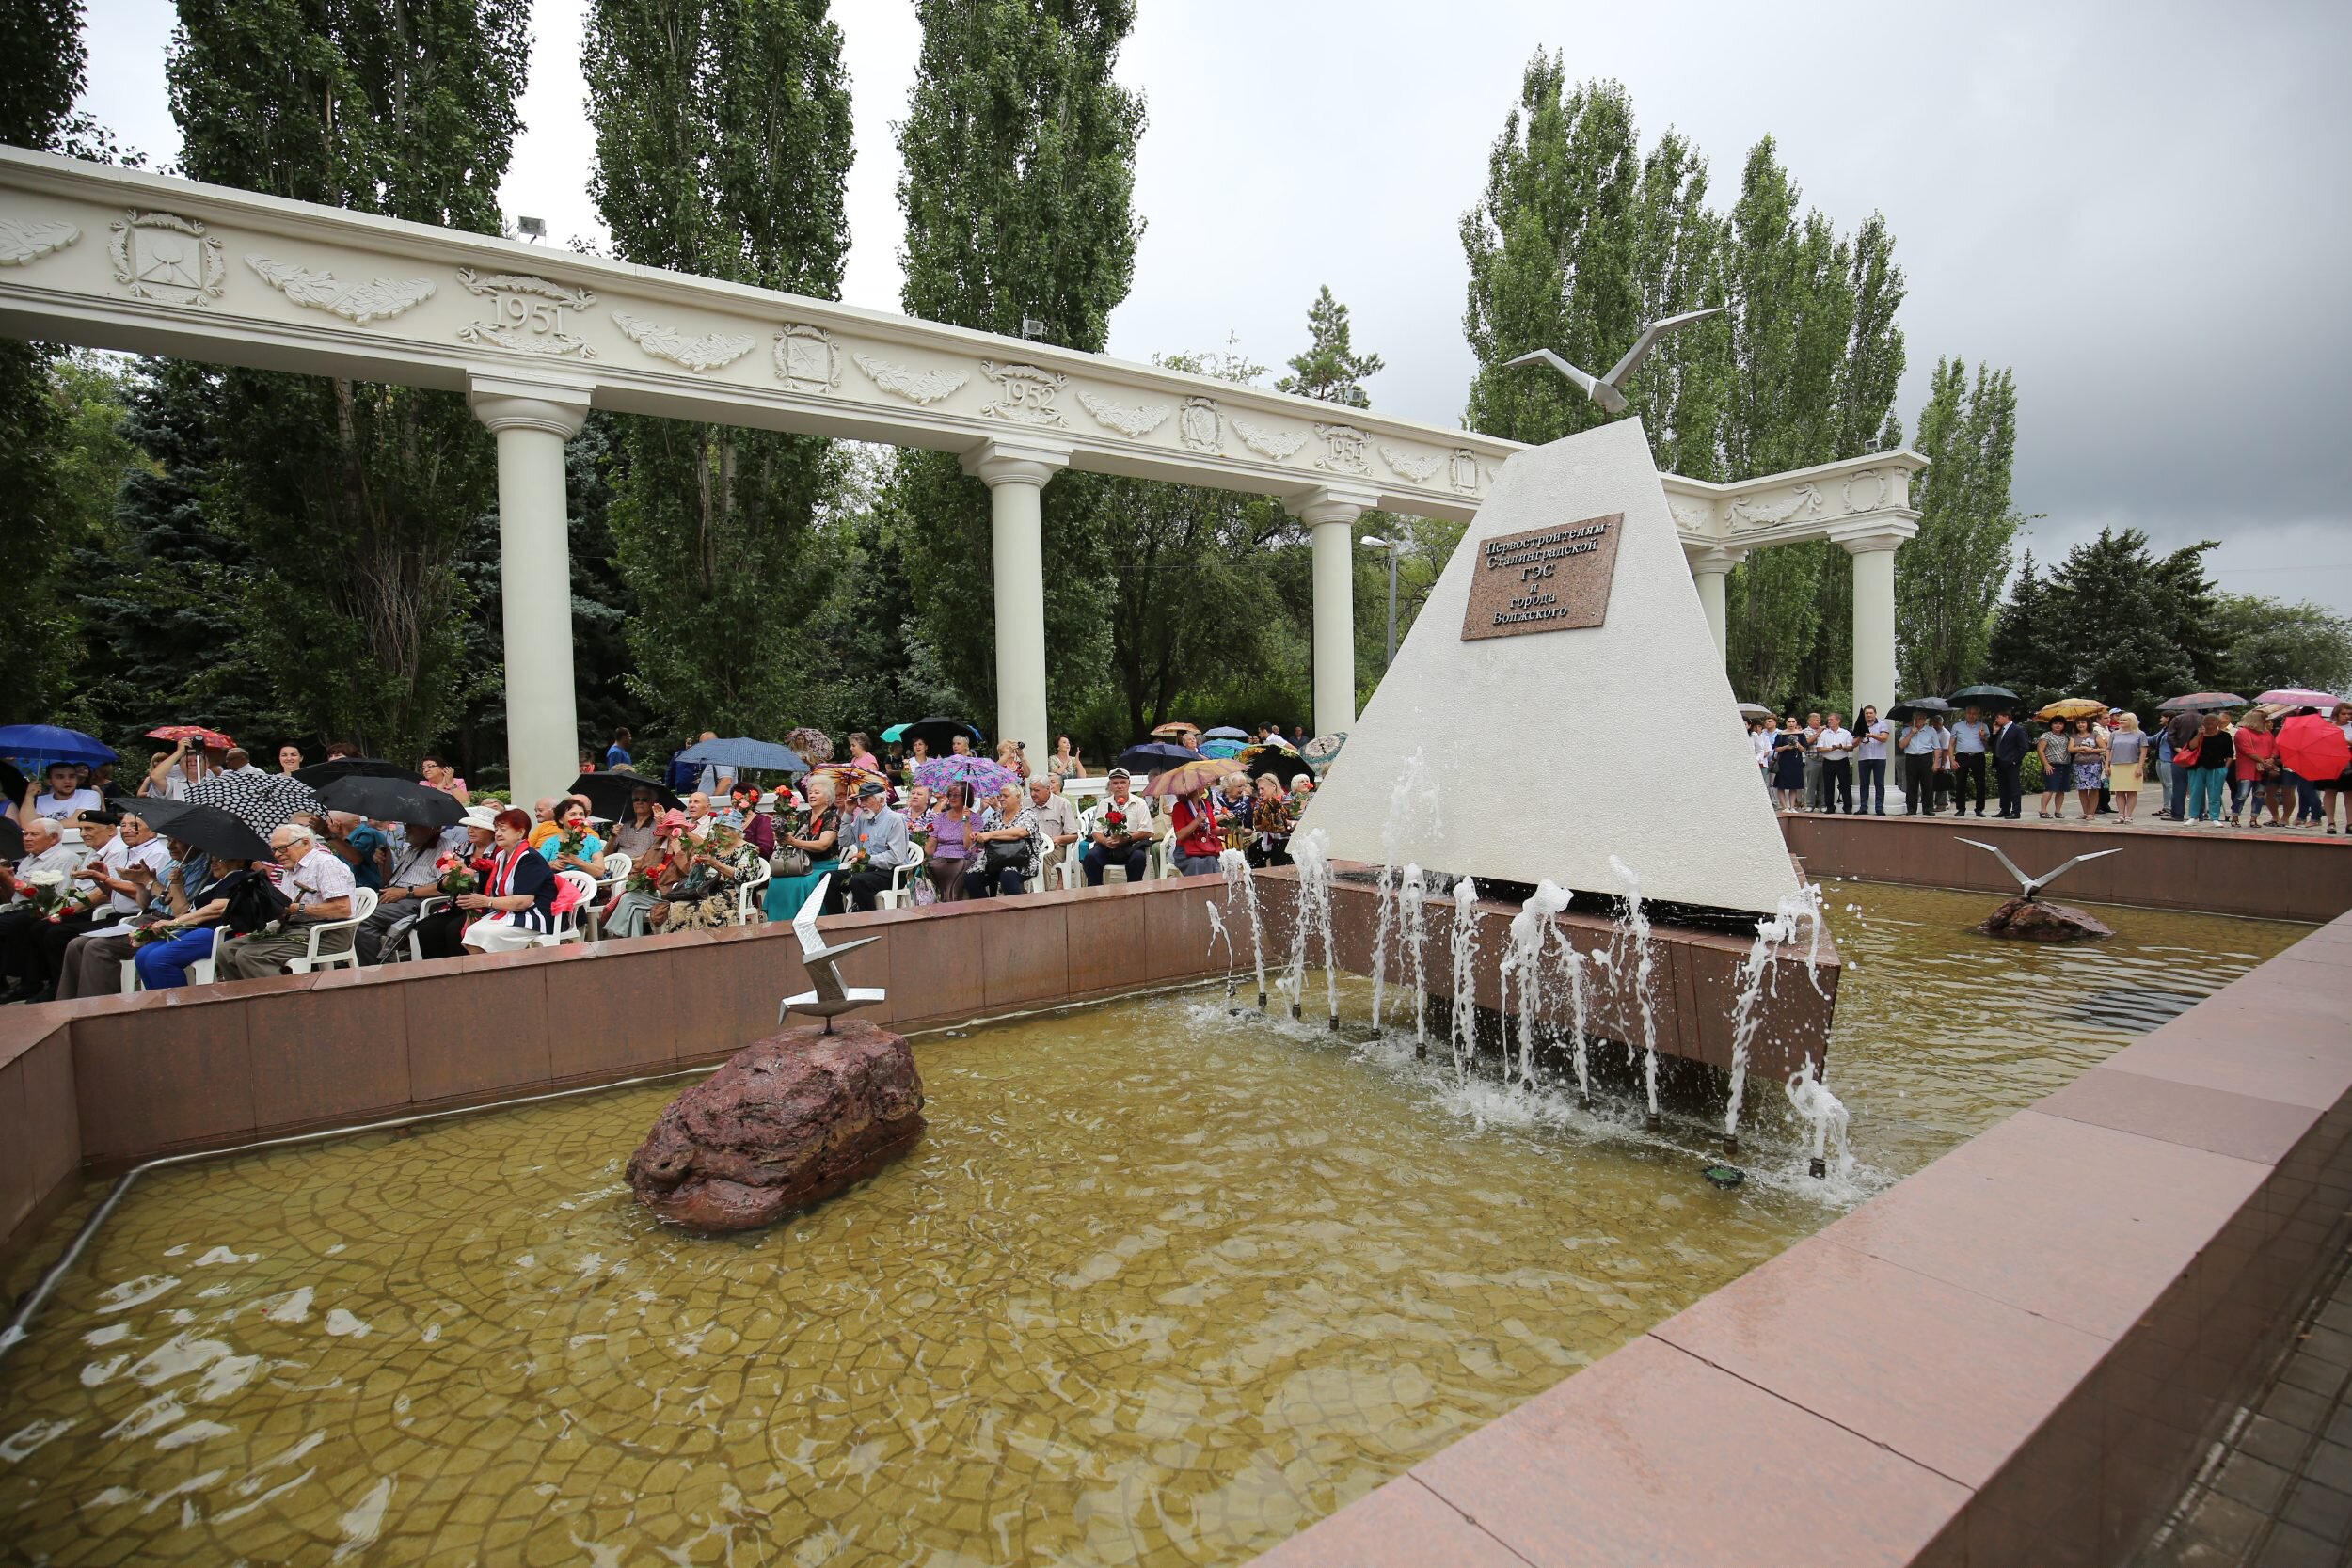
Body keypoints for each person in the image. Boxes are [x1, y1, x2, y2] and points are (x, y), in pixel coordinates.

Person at [216, 822, 358, 978]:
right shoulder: (290, 870)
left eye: (282, 848)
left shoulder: (326, 863)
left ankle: (281, 1001)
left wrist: (299, 908)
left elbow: (343, 908)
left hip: (328, 933)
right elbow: (285, 909)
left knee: (251, 956)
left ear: (305, 843)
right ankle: (246, 999)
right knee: (226, 951)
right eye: (274, 850)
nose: (277, 854)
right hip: (294, 928)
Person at [130, 854, 264, 990]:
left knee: (158, 960)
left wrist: (174, 923)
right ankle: (156, 1007)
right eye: (212, 859)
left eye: (220, 859)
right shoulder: (218, 882)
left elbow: (217, 908)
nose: (214, 863)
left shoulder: (240, 877)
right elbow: (186, 911)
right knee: (142, 956)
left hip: (218, 933)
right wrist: (177, 885)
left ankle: (178, 1008)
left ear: (240, 860)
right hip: (194, 930)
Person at [457, 808, 562, 952]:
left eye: (503, 829)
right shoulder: (502, 856)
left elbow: (522, 902)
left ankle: (497, 971)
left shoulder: (529, 858)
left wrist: (485, 901)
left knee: (482, 934)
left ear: (520, 833)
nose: (498, 833)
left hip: (534, 915)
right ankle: (492, 971)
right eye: (496, 829)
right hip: (511, 911)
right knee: (472, 932)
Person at [767, 775, 841, 919]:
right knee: (777, 881)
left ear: (827, 798)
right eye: (811, 792)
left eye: (817, 792)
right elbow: (787, 837)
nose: (812, 795)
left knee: (802, 883)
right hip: (799, 865)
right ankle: (777, 924)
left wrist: (793, 842)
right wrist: (780, 836)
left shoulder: (831, 818)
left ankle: (803, 921)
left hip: (824, 865)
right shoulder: (801, 816)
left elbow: (823, 845)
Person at [835, 781, 915, 912]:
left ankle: (871, 922)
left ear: (882, 800)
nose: (862, 805)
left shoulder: (895, 819)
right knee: (829, 878)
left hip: (891, 873)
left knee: (857, 881)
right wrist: (848, 813)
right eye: (860, 800)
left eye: (866, 800)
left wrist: (866, 858)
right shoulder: (862, 818)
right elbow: (844, 841)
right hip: (866, 870)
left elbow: (896, 857)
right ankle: (838, 921)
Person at [962, 782, 1038, 897]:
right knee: (971, 877)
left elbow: (1020, 832)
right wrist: (975, 832)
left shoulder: (1027, 814)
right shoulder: (996, 816)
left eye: (1005, 796)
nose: (1001, 799)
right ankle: (987, 910)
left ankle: (1016, 911)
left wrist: (990, 835)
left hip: (1021, 860)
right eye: (999, 796)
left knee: (1007, 875)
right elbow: (982, 837)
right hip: (995, 860)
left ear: (1018, 797)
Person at [1081, 768, 1155, 885]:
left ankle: (1133, 894)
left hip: (1132, 845)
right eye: (1115, 783)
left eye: (1123, 782)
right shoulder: (1104, 803)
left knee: (1138, 858)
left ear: (1129, 784)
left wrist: (1126, 838)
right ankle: (1096, 894)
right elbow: (1096, 832)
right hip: (1108, 844)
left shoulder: (1139, 803)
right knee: (1091, 858)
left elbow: (1147, 831)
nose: (1119, 786)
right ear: (1110, 786)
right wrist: (1106, 842)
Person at [924, 781, 974, 902]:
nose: (951, 798)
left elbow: (968, 846)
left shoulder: (975, 818)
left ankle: (949, 900)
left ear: (966, 797)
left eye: (956, 795)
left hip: (962, 858)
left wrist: (967, 822)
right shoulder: (940, 817)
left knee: (958, 867)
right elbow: (930, 846)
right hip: (941, 859)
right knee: (934, 866)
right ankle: (950, 901)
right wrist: (924, 856)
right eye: (950, 795)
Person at [1027, 776, 1083, 885]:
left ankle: (1043, 895)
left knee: (1042, 859)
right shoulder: (1026, 803)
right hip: (1030, 846)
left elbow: (1074, 835)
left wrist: (1059, 839)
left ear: (1048, 789)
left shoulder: (1062, 804)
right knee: (1014, 856)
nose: (1033, 794)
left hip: (1056, 848)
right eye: (1031, 790)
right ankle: (1019, 894)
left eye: (1036, 790)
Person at [2185, 711, 2234, 824]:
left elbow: (2230, 754)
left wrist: (2225, 769)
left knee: (2215, 794)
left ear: (2218, 722)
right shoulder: (2197, 733)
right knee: (2195, 792)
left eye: (2212, 720)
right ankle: (2194, 816)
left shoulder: (2225, 736)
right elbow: (2191, 747)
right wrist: (2198, 735)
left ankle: (2215, 817)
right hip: (2197, 767)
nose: (2209, 723)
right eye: (2206, 720)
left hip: (2217, 767)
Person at [541, 800, 608, 878]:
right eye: (573, 814)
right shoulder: (550, 843)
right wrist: (550, 865)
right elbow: (536, 870)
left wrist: (577, 862)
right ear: (560, 820)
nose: (578, 817)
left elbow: (599, 872)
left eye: (581, 814)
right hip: (556, 886)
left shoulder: (592, 841)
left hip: (586, 886)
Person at [1168, 785, 1224, 876]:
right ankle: (1201, 888)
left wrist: (1226, 830)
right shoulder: (1179, 807)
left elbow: (1212, 829)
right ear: (1191, 788)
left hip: (1206, 848)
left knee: (1212, 860)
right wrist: (1197, 821)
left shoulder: (1206, 805)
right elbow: (1180, 835)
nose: (1204, 785)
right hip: (1186, 852)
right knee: (1196, 862)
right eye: (1200, 784)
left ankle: (1215, 888)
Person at [20, 761, 101, 822]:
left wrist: (39, 826)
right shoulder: (40, 801)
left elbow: (78, 821)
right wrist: (29, 796)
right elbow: (27, 824)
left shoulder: (89, 795)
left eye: (72, 776)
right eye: (60, 777)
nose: (67, 781)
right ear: (49, 781)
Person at [1247, 772, 1297, 867]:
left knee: (1279, 850)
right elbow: (1256, 825)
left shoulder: (1287, 799)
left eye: (1262, 789)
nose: (1260, 792)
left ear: (1273, 787)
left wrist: (1279, 821)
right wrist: (1265, 823)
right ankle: (1258, 878)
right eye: (1259, 789)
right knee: (1253, 849)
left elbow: (1295, 822)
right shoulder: (1260, 802)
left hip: (1287, 838)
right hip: (1269, 838)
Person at [2105, 713, 2148, 825]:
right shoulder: (2114, 734)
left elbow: (2143, 752)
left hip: (2132, 765)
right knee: (2119, 792)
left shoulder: (2140, 734)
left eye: (2124, 720)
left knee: (2131, 791)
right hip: (2116, 765)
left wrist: (2140, 767)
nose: (2121, 722)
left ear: (2132, 721)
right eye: (2120, 720)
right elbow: (2109, 750)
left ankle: (2129, 815)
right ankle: (2121, 815)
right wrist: (2107, 765)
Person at [1897, 712, 1943, 816]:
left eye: (1920, 718)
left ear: (1925, 719)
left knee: (1927, 784)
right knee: (1911, 785)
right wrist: (1911, 734)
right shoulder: (1906, 730)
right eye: (1916, 718)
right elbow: (1901, 745)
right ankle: (1911, 809)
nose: (1918, 720)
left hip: (1926, 758)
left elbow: (1937, 748)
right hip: (1911, 758)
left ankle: (1928, 808)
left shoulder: (1931, 731)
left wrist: (1936, 763)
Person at [1948, 706, 1991, 817]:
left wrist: (1983, 737)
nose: (1971, 715)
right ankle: (1960, 808)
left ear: (1978, 715)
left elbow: (1988, 746)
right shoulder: (1957, 726)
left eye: (1974, 713)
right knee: (1961, 783)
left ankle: (1979, 809)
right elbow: (1952, 744)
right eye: (1969, 713)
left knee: (1980, 783)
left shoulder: (1983, 726)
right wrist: (1951, 759)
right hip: (1962, 756)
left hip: (1978, 756)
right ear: (1965, 714)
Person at [2161, 709, 2201, 822]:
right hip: (2198, 757)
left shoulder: (2177, 719)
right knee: (2198, 786)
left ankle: (2177, 814)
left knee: (2179, 786)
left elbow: (2170, 736)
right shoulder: (2203, 719)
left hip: (2180, 757)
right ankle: (2200, 813)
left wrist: (2178, 749)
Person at [1851, 706, 1890, 815]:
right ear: (1864, 714)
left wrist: (1872, 735)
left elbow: (1884, 738)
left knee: (1879, 784)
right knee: (1863, 784)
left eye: (1871, 713)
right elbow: (1853, 744)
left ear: (1875, 714)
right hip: (1864, 758)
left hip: (1879, 758)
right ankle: (1863, 807)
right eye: (1867, 713)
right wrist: (1860, 736)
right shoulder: (1859, 725)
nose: (1869, 715)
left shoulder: (1882, 724)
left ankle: (1879, 808)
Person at [2066, 717, 2106, 820]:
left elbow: (2104, 748)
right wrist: (2081, 748)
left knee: (2094, 789)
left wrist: (2092, 751)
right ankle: (2085, 812)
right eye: (2078, 723)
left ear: (2088, 724)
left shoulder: (2095, 735)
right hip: (2079, 765)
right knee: (2082, 789)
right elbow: (2070, 749)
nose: (2081, 725)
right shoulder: (2074, 736)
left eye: (2083, 722)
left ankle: (2092, 813)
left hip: (2094, 764)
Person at [1992, 710, 2029, 819]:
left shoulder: (2017, 730)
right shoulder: (2000, 730)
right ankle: (2005, 809)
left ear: (2006, 717)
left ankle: (2016, 811)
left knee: (2014, 787)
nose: (1996, 720)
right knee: (2003, 788)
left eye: (1998, 717)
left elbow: (2024, 747)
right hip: (2000, 762)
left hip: (2011, 763)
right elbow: (1992, 743)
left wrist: (2015, 760)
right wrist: (1994, 732)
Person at [1816, 713, 1855, 815]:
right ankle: (1829, 806)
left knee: (1845, 784)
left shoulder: (1845, 733)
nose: (1829, 721)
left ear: (1838, 721)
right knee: (1828, 785)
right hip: (1828, 761)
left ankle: (1847, 807)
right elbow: (1819, 748)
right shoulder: (1824, 734)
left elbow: (1851, 747)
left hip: (1842, 761)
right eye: (1828, 719)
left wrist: (1842, 747)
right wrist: (1831, 749)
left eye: (1831, 719)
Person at [612, 787, 663, 863]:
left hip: (640, 868)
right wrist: (612, 836)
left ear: (652, 803)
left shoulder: (657, 826)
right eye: (636, 799)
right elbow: (606, 854)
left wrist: (630, 863)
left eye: (644, 799)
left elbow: (654, 854)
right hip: (617, 866)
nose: (639, 802)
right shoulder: (624, 825)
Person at [2324, 702, 2352, 836]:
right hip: (2332, 760)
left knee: (2349, 793)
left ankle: (2350, 823)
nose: (2347, 716)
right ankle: (2331, 822)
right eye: (2344, 713)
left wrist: (2347, 742)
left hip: (2349, 760)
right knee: (2330, 791)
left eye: (2349, 714)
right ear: (2337, 714)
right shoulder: (2329, 727)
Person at [1772, 716, 1806, 812]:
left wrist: (1797, 744)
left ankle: (1792, 806)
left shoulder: (1801, 734)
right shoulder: (1781, 734)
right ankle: (1784, 806)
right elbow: (1776, 748)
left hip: (1796, 762)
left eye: (1793, 721)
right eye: (1789, 721)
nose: (1791, 724)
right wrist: (1787, 746)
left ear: (1796, 723)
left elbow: (1804, 749)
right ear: (1786, 723)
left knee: (1793, 785)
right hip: (1783, 762)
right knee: (1781, 784)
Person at [1800, 711, 1825, 813]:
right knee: (1811, 784)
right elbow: (1806, 742)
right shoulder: (1805, 731)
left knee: (1823, 784)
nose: (1818, 722)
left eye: (1819, 720)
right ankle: (1810, 804)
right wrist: (1818, 733)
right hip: (1812, 759)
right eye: (1816, 720)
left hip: (1824, 759)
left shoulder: (1826, 731)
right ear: (1809, 721)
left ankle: (1823, 804)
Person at [1751, 717, 1777, 795]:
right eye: (1755, 727)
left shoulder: (1765, 737)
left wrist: (1760, 756)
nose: (1757, 728)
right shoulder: (1750, 737)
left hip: (1763, 763)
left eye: (1759, 726)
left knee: (1764, 782)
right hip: (1752, 761)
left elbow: (1767, 751)